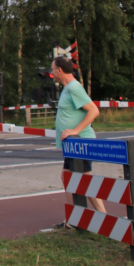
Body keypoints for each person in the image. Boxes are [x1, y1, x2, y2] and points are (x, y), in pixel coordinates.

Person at [52, 56, 105, 227]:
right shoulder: (68, 88)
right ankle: (76, 218)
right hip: (74, 145)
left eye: (53, 69)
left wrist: (75, 131)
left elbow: (93, 111)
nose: (52, 73)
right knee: (70, 176)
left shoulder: (74, 88)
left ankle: (89, 218)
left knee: (83, 179)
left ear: (60, 70)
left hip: (81, 143)